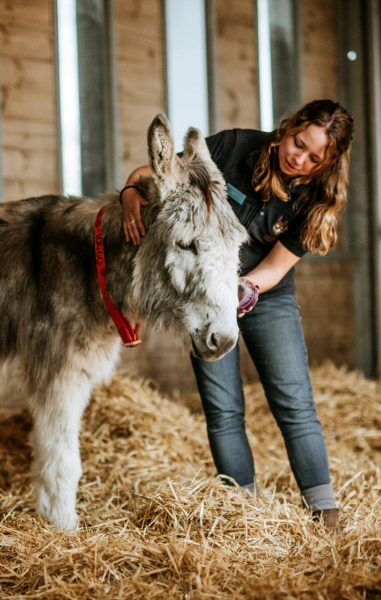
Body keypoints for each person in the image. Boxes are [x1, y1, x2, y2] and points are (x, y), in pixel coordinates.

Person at [120, 99, 354, 530]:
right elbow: (155, 176)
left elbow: (275, 268)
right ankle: (241, 512)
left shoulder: (317, 197)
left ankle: (326, 516)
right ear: (289, 128)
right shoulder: (233, 147)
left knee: (294, 402)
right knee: (223, 408)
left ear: (327, 164)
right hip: (208, 296)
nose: (297, 157)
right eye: (297, 142)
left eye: (313, 157)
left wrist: (236, 290)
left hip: (263, 294)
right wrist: (130, 195)